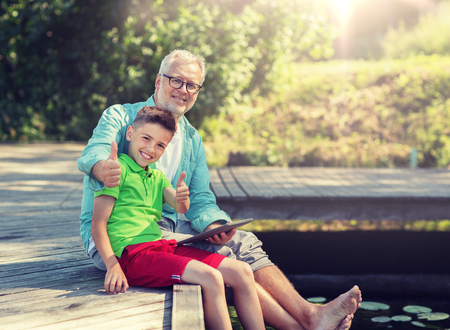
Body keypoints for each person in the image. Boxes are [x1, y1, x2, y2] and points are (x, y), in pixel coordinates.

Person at [78, 49, 362, 330]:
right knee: (228, 257)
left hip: (165, 229)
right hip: (123, 238)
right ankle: (306, 323)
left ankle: (309, 317)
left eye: (192, 85)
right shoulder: (123, 117)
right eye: (176, 80)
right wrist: (105, 169)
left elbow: (200, 197)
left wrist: (215, 223)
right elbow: (95, 152)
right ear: (158, 81)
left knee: (243, 240)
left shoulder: (191, 138)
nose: (183, 90)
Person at [91, 106, 265, 330]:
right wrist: (113, 266)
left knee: (241, 271)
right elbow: (97, 225)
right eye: (146, 138)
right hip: (133, 256)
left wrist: (183, 197)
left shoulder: (158, 177)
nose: (151, 149)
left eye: (160, 145)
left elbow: (179, 204)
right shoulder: (117, 170)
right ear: (130, 133)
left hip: (161, 247)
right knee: (211, 277)